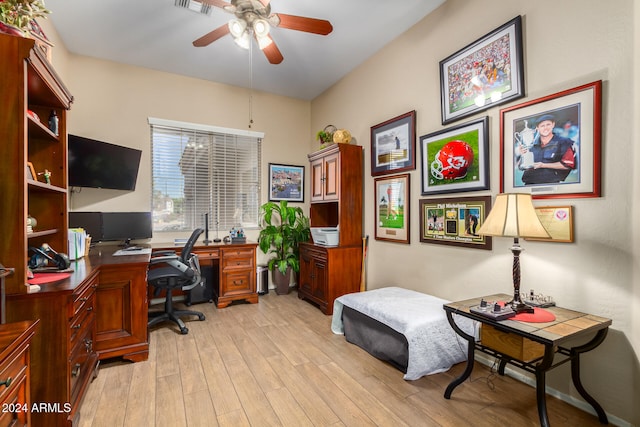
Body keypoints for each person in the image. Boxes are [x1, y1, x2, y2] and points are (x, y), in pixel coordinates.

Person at [518, 114, 577, 185]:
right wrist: (523, 156)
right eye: (542, 126)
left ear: (553, 124)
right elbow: (521, 167)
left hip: (552, 186)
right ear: (537, 128)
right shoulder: (531, 145)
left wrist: (543, 165)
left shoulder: (564, 142)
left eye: (548, 124)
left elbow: (568, 165)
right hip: (529, 186)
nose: (545, 128)